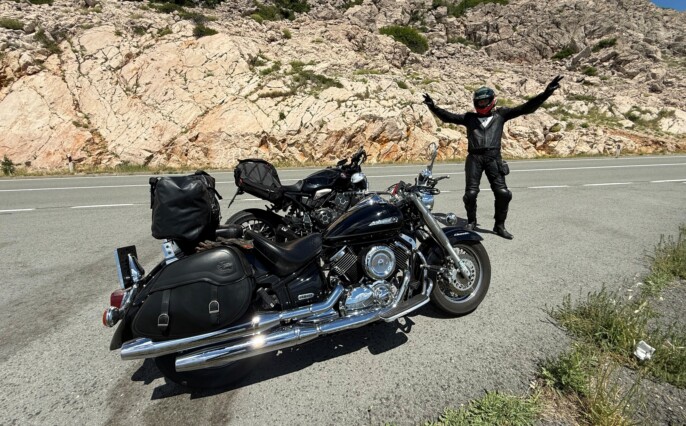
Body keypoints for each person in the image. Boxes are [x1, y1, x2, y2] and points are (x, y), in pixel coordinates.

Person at [423, 76, 563, 239]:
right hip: (474, 158)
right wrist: (433, 106)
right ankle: (471, 221)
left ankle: (499, 226)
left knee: (503, 193)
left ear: (492, 101)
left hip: (493, 158)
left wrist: (546, 93)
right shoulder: (469, 118)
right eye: (479, 102)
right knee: (470, 194)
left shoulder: (501, 114)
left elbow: (526, 108)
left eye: (485, 101)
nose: (482, 104)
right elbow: (448, 117)